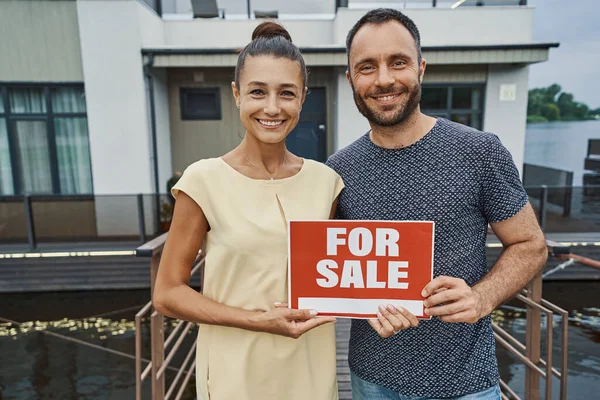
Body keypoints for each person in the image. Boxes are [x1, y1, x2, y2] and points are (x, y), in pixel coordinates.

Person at [326, 8, 548, 400]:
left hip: (464, 383)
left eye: (398, 62)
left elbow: (531, 245)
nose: (384, 79)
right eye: (367, 67)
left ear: (421, 68)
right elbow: (330, 270)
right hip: (370, 379)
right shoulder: (338, 171)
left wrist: (481, 297)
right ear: (350, 79)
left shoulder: (479, 151)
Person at [152, 22, 370, 400]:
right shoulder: (202, 180)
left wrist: (393, 301)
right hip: (234, 375)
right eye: (257, 92)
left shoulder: (326, 182)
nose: (272, 107)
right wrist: (258, 321)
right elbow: (168, 293)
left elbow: (344, 273)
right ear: (237, 95)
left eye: (286, 93)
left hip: (310, 374)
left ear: (302, 98)